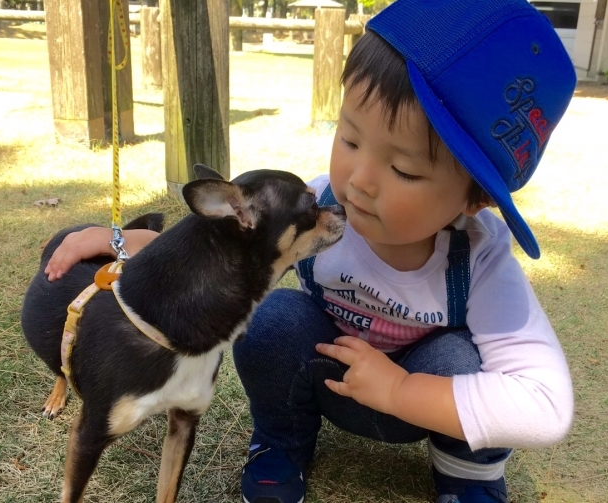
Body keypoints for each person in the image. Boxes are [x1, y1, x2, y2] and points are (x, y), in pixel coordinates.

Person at [44, 0, 577, 502]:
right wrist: (118, 242)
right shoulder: (319, 207)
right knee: (277, 320)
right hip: (330, 377)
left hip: (424, 405)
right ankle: (281, 441)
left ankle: (468, 475)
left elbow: (546, 407)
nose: (360, 182)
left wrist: (400, 390)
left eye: (405, 169)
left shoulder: (479, 260)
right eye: (349, 139)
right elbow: (212, 253)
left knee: (459, 360)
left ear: (476, 198)